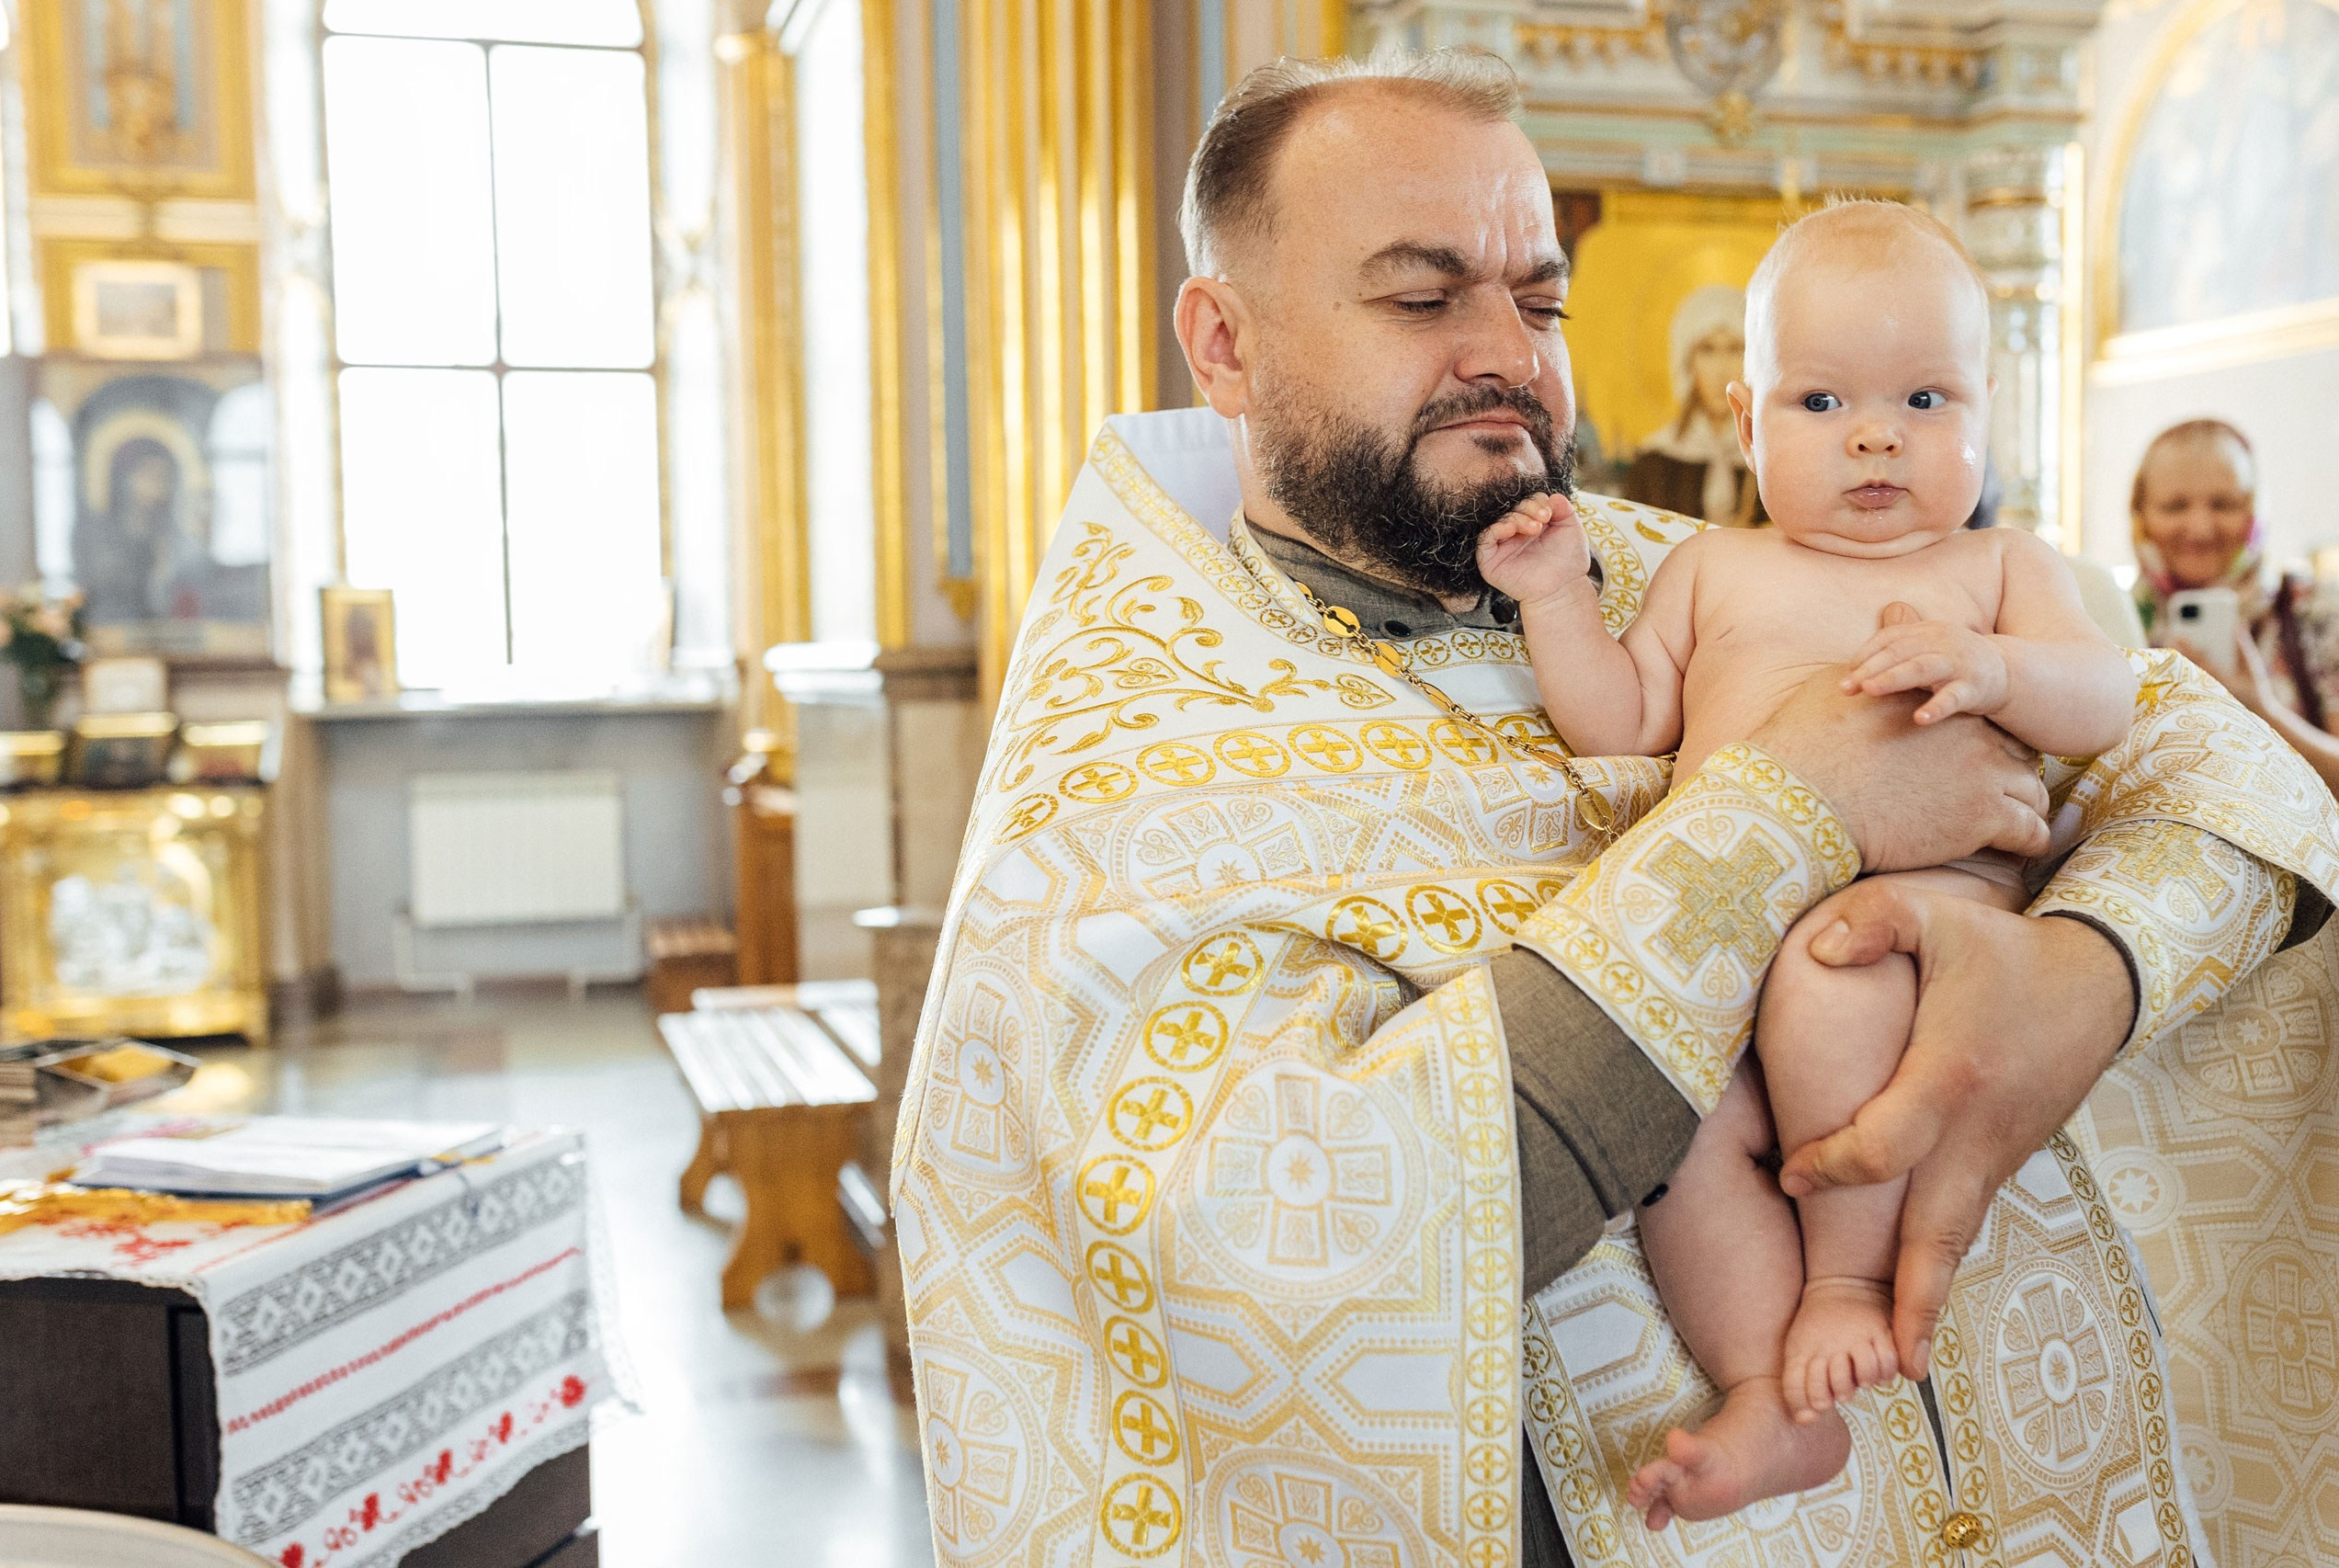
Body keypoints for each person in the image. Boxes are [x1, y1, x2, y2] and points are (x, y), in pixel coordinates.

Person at [893, 49, 2333, 1568]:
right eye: (1422, 296)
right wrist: (1797, 806)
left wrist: (2085, 975)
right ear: (1225, 344)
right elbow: (1268, 1244)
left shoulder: (1670, 562)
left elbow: (2219, 758)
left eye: (1540, 299)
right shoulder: (1134, 755)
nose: (1504, 354)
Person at [1477, 201, 2136, 1528]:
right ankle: (1763, 1390)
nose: (1875, 435)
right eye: (1822, 399)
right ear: (1745, 420)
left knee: (1826, 985)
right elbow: (1620, 721)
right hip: (1727, 959)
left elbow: (2105, 698)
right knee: (1681, 1126)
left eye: (1924, 399)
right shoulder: (1710, 569)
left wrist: (1995, 667)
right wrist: (1555, 598)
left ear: (1989, 412)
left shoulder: (1997, 566)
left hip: (1901, 939)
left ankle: (1842, 1279)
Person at [2131, 417, 2339, 794]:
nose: (2200, 529)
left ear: (2255, 511)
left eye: (2224, 505)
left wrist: (2262, 711)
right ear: (2141, 515)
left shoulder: (2317, 614)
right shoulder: (2113, 623)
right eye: (2175, 507)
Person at [1622, 285, 1765, 527]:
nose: (1721, 370)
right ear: (1687, 362)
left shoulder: (1766, 457)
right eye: (1707, 350)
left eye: (1734, 349)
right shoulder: (1655, 461)